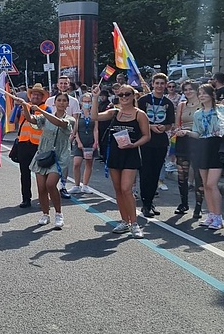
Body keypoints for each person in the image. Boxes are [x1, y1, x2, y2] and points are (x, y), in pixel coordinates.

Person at [92, 84, 150, 238]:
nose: (124, 97)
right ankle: (124, 221)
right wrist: (95, 97)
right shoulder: (115, 112)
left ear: (133, 96)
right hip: (115, 154)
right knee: (118, 189)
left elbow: (146, 136)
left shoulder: (140, 114)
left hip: (131, 153)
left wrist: (134, 144)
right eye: (121, 95)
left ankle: (135, 223)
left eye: (127, 94)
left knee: (126, 189)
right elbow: (95, 117)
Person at [177, 84, 224, 230]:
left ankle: (218, 216)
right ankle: (211, 214)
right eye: (200, 94)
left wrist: (223, 130)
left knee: (211, 184)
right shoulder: (198, 113)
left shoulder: (223, 109)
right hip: (202, 147)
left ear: (211, 94)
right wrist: (186, 132)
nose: (202, 96)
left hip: (217, 147)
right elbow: (197, 134)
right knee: (205, 185)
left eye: (204, 93)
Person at [14, 93, 75, 228]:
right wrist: (24, 105)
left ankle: (58, 214)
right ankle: (45, 214)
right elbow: (31, 119)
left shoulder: (70, 119)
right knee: (41, 187)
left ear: (67, 104)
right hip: (43, 153)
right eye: (59, 100)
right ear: (55, 103)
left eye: (64, 101)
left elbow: (59, 123)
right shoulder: (44, 117)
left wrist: (40, 110)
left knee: (50, 184)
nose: (61, 103)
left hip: (59, 156)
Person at [137, 73, 175, 217]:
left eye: (162, 83)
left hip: (160, 142)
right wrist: (150, 126)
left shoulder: (168, 103)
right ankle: (145, 203)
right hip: (145, 142)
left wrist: (163, 128)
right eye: (157, 83)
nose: (159, 86)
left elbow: (170, 123)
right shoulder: (143, 100)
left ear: (165, 85)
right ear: (152, 84)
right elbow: (138, 120)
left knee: (155, 174)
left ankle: (151, 201)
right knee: (145, 172)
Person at [15, 84, 50, 208]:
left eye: (38, 94)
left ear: (42, 97)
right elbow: (13, 120)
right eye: (34, 94)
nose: (35, 96)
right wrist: (19, 107)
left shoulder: (46, 108)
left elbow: (47, 122)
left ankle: (43, 197)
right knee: (24, 173)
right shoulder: (24, 106)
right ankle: (26, 199)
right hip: (23, 143)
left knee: (41, 174)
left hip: (39, 146)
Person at [45, 75, 80, 199]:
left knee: (64, 163)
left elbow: (75, 120)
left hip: (66, 137)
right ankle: (49, 185)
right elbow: (45, 118)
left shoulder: (74, 101)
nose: (63, 85)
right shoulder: (49, 101)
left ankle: (63, 186)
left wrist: (72, 136)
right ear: (57, 84)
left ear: (69, 85)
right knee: (48, 161)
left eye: (66, 83)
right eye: (61, 83)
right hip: (51, 136)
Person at [173, 82, 204, 218]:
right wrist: (178, 131)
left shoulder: (202, 104)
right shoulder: (181, 105)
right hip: (183, 141)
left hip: (198, 141)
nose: (188, 92)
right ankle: (183, 203)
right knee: (182, 174)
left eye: (191, 89)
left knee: (198, 175)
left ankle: (198, 206)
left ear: (197, 90)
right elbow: (177, 124)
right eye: (185, 90)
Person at [69, 93, 97, 194]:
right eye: (85, 101)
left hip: (90, 140)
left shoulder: (94, 114)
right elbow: (75, 129)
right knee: (76, 163)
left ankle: (85, 185)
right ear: (81, 102)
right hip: (80, 140)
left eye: (89, 101)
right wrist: (78, 142)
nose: (87, 103)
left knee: (89, 163)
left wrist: (95, 142)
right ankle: (76, 185)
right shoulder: (78, 114)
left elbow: (95, 129)